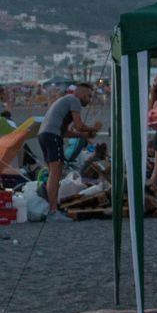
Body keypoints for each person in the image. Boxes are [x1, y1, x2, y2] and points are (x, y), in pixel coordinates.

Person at [39, 82, 101, 220]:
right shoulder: (74, 100)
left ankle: (52, 209)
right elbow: (79, 126)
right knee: (56, 173)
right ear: (80, 93)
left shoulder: (64, 101)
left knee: (53, 173)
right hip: (52, 136)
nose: (89, 100)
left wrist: (84, 135)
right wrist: (93, 129)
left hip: (44, 135)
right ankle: (53, 211)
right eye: (88, 96)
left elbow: (65, 132)